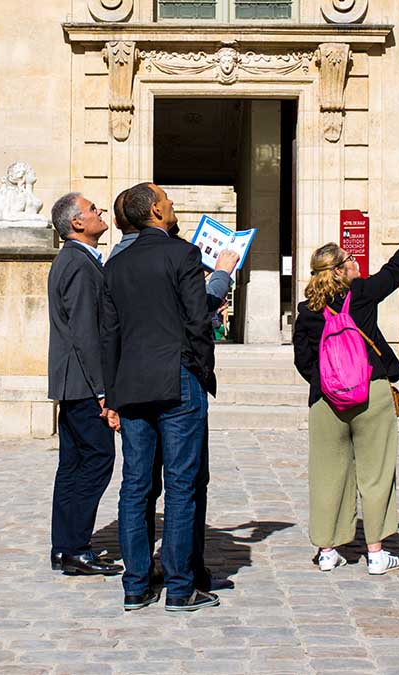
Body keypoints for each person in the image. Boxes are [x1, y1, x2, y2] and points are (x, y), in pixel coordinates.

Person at [108, 187, 238, 594]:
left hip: (130, 383)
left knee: (136, 484)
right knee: (182, 483)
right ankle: (181, 587)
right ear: (155, 210)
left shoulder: (115, 264)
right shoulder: (182, 254)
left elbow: (108, 335)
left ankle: (136, 583)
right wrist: (201, 368)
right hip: (178, 377)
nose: (173, 206)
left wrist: (111, 394)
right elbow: (198, 316)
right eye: (168, 201)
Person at [292, 214, 399, 575]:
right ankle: (375, 553)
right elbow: (397, 269)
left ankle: (327, 552)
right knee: (377, 472)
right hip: (371, 391)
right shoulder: (362, 295)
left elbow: (304, 360)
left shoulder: (307, 312)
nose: (356, 263)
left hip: (325, 401)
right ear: (339, 270)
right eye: (350, 260)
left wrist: (329, 384)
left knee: (326, 475)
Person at [47, 192, 123, 576]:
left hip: (71, 382)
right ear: (77, 223)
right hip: (82, 384)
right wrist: (103, 390)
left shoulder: (76, 261)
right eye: (92, 209)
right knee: (96, 462)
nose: (99, 212)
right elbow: (85, 333)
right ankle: (76, 546)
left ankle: (64, 546)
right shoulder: (78, 264)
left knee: (73, 464)